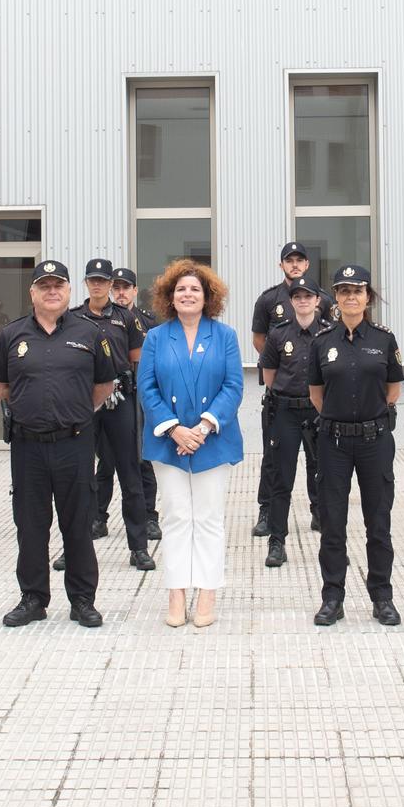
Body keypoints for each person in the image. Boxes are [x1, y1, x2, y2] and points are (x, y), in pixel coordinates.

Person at [0, 260, 119, 628]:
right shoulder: (12, 335)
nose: (51, 291)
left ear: (68, 291)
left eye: (58, 285)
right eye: (43, 285)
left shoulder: (90, 333)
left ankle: (81, 600)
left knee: (77, 523)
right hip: (27, 446)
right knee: (30, 524)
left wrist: (73, 412)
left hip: (74, 444)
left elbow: (103, 386)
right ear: (32, 293)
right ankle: (33, 598)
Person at [138, 259, 244, 628]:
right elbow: (146, 388)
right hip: (169, 442)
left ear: (207, 296)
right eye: (181, 289)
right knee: (178, 517)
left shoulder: (225, 336)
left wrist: (202, 427)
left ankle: (207, 592)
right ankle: (176, 592)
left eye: (194, 289)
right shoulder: (155, 337)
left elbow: (233, 386)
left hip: (211, 441)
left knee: (210, 519)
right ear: (170, 296)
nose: (187, 294)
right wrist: (174, 430)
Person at [306, 264, 404, 627]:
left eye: (357, 291)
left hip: (374, 441)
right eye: (344, 290)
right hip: (333, 442)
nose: (350, 297)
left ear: (368, 298)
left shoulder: (384, 339)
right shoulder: (322, 341)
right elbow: (317, 394)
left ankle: (382, 597)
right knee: (333, 523)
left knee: (378, 522)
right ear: (336, 298)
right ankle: (333, 597)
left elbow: (393, 390)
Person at [249, 241, 334, 538]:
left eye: (300, 260)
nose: (295, 264)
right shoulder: (269, 299)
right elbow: (260, 340)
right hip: (282, 397)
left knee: (319, 460)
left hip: (316, 400)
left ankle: (318, 510)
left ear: (307, 265)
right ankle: (267, 510)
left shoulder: (323, 299)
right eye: (289, 260)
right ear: (281, 264)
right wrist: (284, 363)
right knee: (274, 460)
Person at [75, 258, 154, 570]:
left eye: (103, 280)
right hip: (86, 401)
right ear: (86, 283)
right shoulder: (73, 318)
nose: (97, 285)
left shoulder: (126, 319)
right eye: (92, 280)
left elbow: (138, 360)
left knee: (130, 472)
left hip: (121, 401)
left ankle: (138, 547)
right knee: (80, 475)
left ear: (110, 285)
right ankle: (75, 546)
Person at [111, 265, 160, 537]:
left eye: (125, 287)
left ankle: (149, 515)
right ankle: (98, 517)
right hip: (111, 397)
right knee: (105, 461)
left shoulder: (149, 322)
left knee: (143, 457)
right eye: (116, 287)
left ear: (134, 291)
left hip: (141, 397)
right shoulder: (102, 319)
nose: (120, 292)